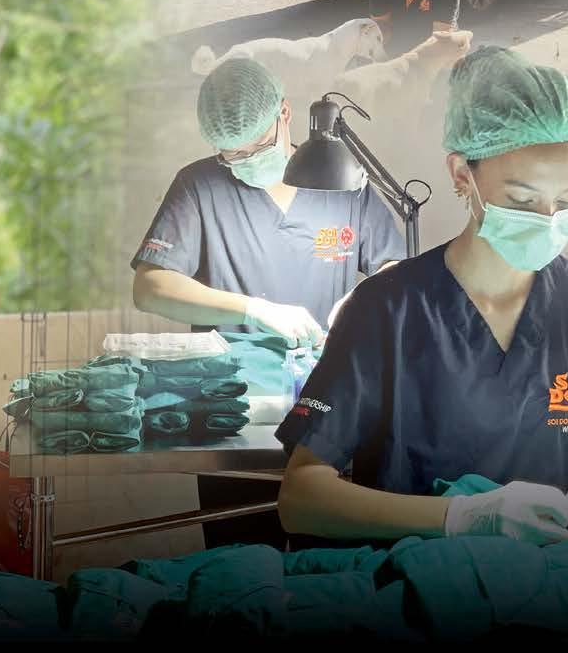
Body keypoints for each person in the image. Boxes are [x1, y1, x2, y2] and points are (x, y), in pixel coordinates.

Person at [276, 46, 568, 548]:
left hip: (561, 581)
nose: (548, 219)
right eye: (522, 199)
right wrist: (462, 517)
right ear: (461, 175)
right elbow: (302, 497)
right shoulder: (386, 309)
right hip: (421, 583)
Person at [132, 55, 414, 546]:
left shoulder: (341, 181)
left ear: (285, 113)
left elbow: (395, 269)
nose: (245, 162)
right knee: (240, 567)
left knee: (329, 566)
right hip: (234, 411)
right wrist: (253, 309)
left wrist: (362, 300)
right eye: (232, 155)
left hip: (329, 404)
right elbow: (150, 286)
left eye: (257, 147)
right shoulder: (200, 185)